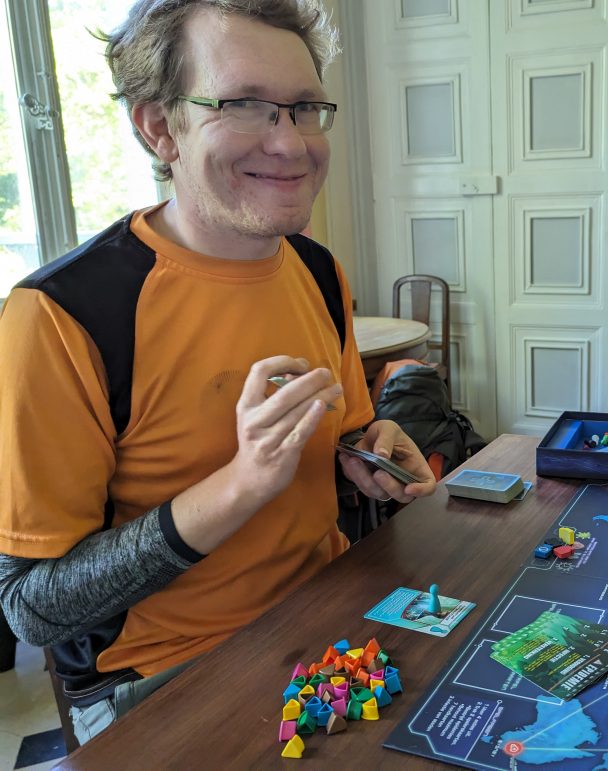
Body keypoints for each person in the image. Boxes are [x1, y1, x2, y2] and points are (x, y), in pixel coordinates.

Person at [0, 0, 435, 745]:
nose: (290, 143)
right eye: (244, 105)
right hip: (167, 673)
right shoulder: (58, 316)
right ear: (159, 128)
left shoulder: (317, 269)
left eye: (304, 108)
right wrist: (240, 484)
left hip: (331, 609)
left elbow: (346, 433)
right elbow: (36, 607)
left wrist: (370, 450)